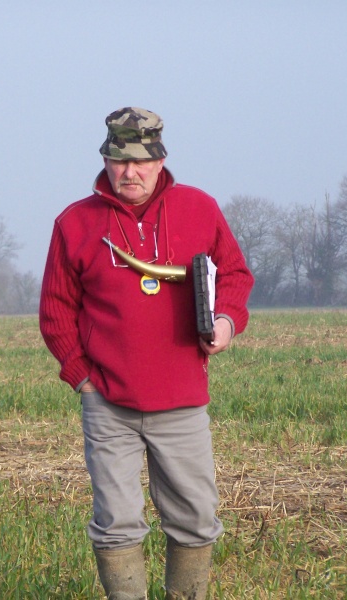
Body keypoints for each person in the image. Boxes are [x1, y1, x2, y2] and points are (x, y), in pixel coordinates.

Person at [39, 108, 254, 598]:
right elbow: (55, 311)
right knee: (116, 523)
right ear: (105, 160)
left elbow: (236, 275)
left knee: (196, 520)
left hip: (181, 400)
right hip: (108, 404)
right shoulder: (74, 223)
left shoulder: (199, 209)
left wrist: (226, 321)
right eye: (118, 162)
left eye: (139, 162)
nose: (128, 173)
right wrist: (83, 379)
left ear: (160, 161)